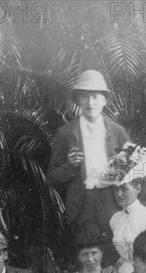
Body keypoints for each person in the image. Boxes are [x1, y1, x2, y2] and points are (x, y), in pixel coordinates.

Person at [47, 70, 131, 260]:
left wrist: (118, 173)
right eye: (85, 97)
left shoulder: (117, 132)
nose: (90, 103)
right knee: (87, 260)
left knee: (113, 257)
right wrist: (70, 165)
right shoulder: (66, 133)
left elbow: (135, 170)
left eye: (95, 97)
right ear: (78, 101)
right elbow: (52, 177)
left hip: (111, 203)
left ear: (105, 100)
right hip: (81, 206)